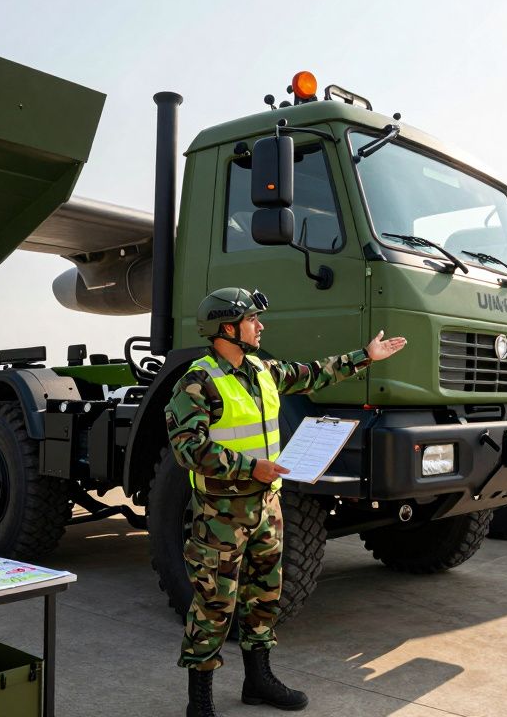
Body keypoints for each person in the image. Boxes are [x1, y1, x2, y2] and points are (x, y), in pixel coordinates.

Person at [165, 287, 406, 717]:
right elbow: (188, 449)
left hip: (267, 509)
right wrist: (248, 468)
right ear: (227, 327)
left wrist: (365, 355)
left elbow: (314, 373)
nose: (261, 326)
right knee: (214, 604)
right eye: (253, 319)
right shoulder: (196, 382)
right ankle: (198, 699)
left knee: (264, 597)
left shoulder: (262, 370)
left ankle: (258, 680)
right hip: (221, 513)